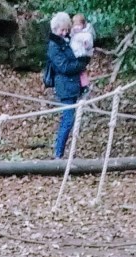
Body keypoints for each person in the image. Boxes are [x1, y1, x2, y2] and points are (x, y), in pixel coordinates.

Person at [45, 12, 89, 160]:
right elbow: (64, 67)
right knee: (68, 120)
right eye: (61, 30)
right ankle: (58, 154)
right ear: (55, 29)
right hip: (64, 87)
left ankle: (61, 152)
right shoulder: (54, 46)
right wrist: (81, 64)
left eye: (66, 29)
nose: (64, 32)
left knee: (70, 119)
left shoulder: (66, 41)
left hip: (73, 85)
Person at [69, 12, 94, 91]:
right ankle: (80, 85)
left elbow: (90, 43)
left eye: (79, 25)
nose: (77, 27)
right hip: (75, 55)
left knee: (81, 70)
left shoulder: (86, 33)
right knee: (78, 72)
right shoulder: (73, 34)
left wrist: (87, 44)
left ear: (83, 25)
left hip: (82, 55)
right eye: (75, 25)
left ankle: (85, 86)